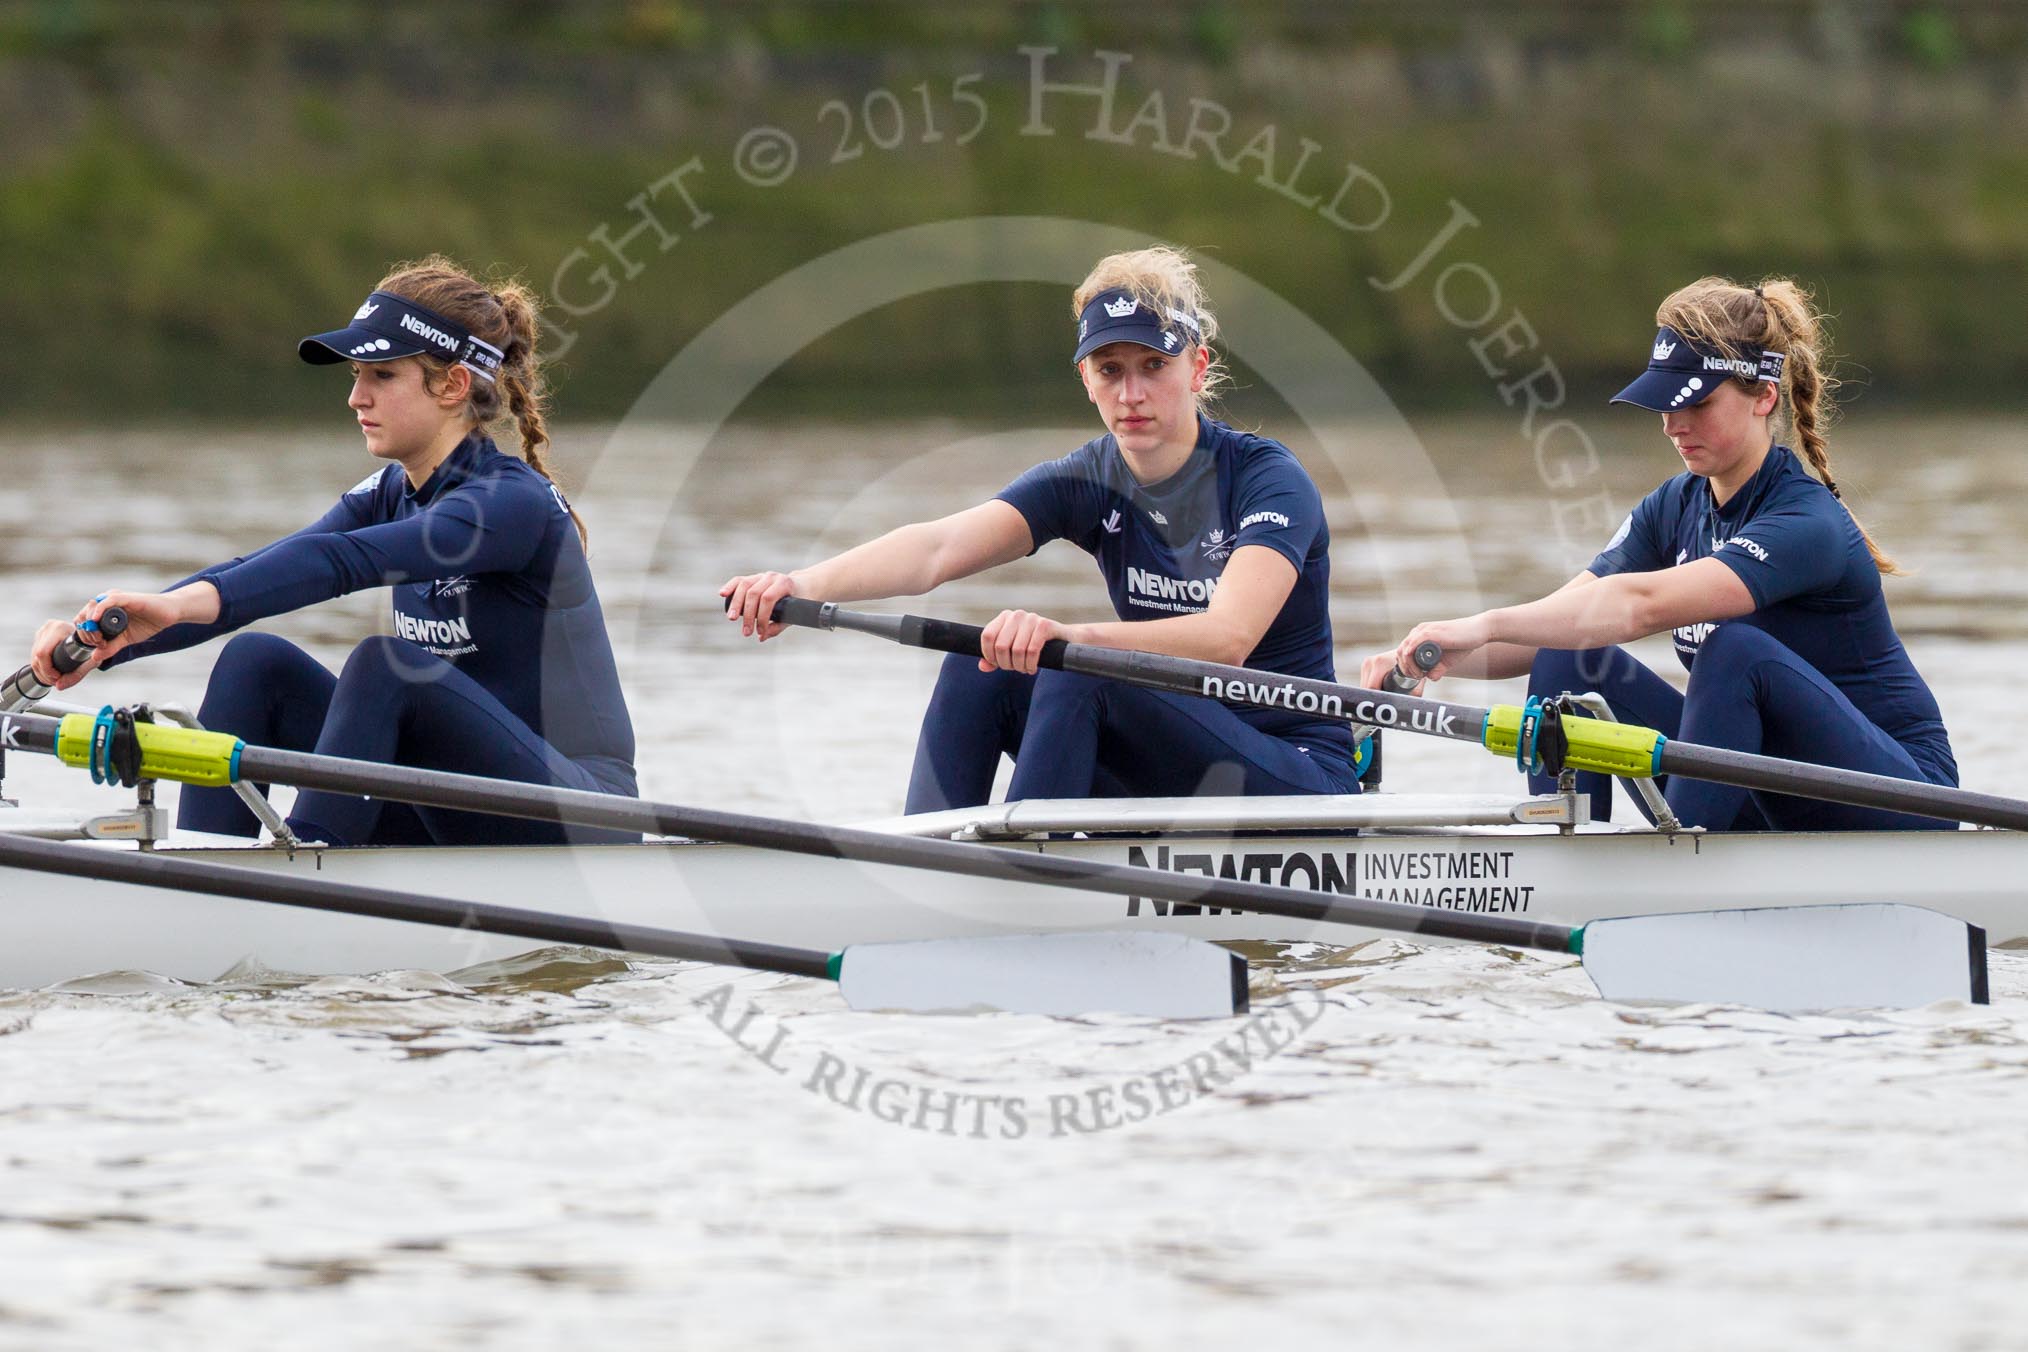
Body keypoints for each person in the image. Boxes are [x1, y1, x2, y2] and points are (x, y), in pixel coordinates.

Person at [25, 256, 638, 845]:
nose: (356, 398)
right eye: (356, 376)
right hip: (457, 798)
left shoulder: (510, 505)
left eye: (383, 375)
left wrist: (177, 608)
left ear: (452, 385)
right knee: (255, 662)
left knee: (384, 665)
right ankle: (208, 867)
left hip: (577, 814)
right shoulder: (391, 492)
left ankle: (309, 870)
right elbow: (260, 573)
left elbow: (340, 563)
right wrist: (114, 638)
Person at [721, 246, 1358, 811]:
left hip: (1295, 771)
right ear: (1086, 380)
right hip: (1174, 759)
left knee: (1074, 665)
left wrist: (1068, 638)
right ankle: (921, 862)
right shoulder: (1087, 478)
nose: (1131, 393)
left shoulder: (1269, 480)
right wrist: (797, 584)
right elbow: (935, 550)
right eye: (1110, 370)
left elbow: (1228, 638)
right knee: (978, 667)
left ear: (1195, 369)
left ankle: (1025, 881)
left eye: (1153, 366)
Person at [1369, 276, 1955, 831]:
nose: (1673, 425)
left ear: (1763, 396)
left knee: (1736, 650)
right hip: (1768, 789)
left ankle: (1678, 863)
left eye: (1695, 403)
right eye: (1665, 405)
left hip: (1897, 796)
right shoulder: (1675, 506)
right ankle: (1567, 851)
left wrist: (1484, 621)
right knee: (1568, 656)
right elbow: (1560, 619)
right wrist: (1423, 658)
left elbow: (1637, 606)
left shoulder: (1807, 523)